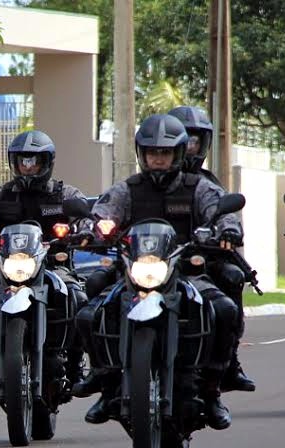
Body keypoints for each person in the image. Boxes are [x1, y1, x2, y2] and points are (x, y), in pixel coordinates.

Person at [73, 113, 242, 429]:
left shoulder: (199, 188)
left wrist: (225, 230)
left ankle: (212, 388)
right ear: (142, 154)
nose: (158, 159)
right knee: (87, 312)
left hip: (187, 272)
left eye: (164, 153)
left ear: (178, 154)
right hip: (133, 271)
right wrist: (91, 229)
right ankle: (106, 384)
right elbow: (100, 214)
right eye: (152, 153)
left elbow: (222, 213)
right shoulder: (127, 189)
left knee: (224, 310)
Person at [0, 130, 90, 395]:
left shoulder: (65, 193)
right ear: (14, 162)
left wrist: (84, 228)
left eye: (34, 161)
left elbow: (86, 216)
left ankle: (75, 368)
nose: (28, 167)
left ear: (47, 163)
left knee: (78, 298)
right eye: (23, 161)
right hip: (10, 267)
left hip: (55, 265)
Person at [168, 105, 255, 393]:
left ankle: (227, 366)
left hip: (200, 261)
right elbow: (109, 211)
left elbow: (224, 209)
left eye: (196, 141)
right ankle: (104, 373)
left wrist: (229, 229)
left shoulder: (206, 184)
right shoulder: (139, 185)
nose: (191, 149)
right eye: (185, 141)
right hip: (151, 264)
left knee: (231, 280)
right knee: (98, 290)